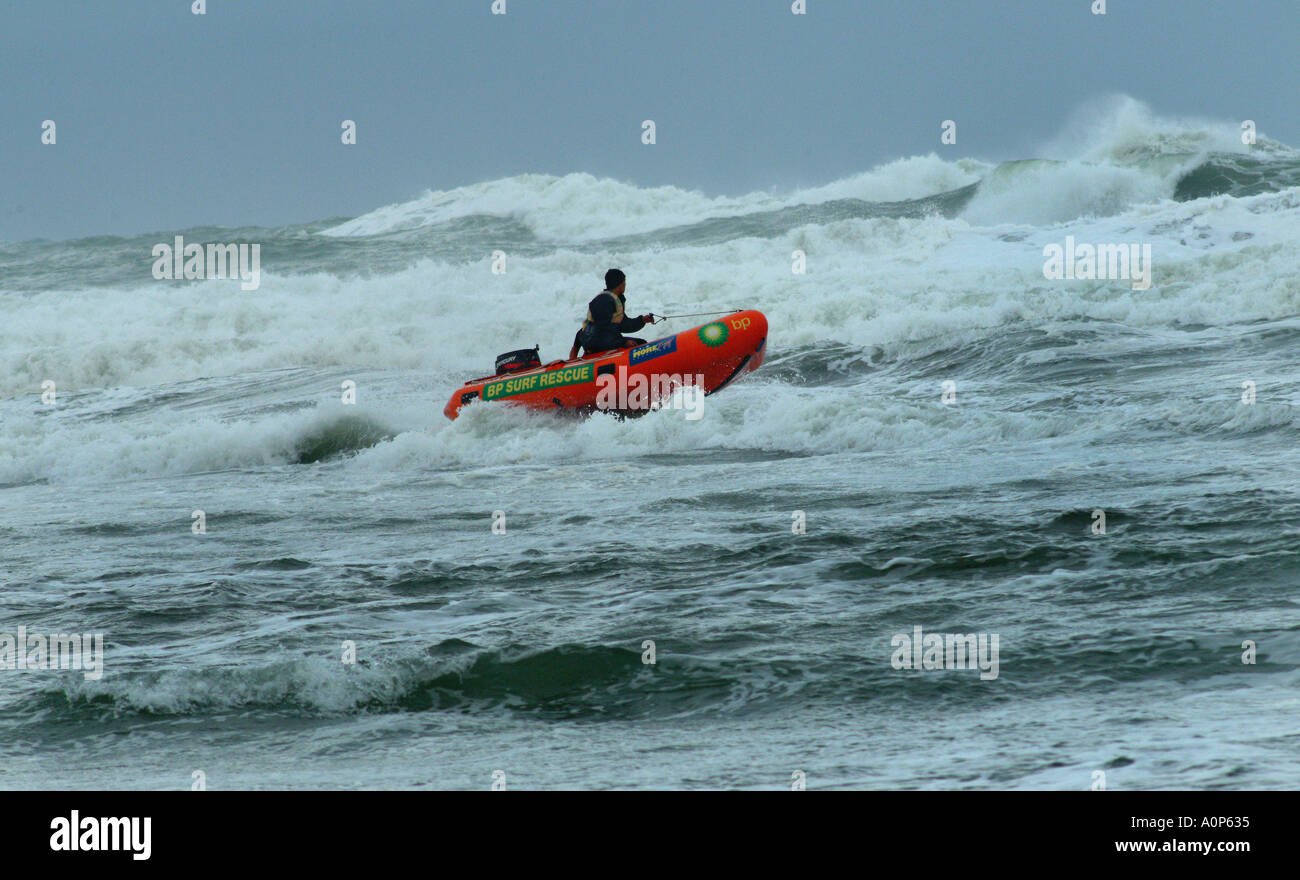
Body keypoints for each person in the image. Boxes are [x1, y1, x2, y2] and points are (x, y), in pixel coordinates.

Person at [569, 269, 656, 358]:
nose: (625, 285)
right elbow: (603, 327)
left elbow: (624, 325)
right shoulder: (604, 301)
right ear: (620, 284)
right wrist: (623, 342)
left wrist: (642, 320)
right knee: (640, 345)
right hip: (597, 342)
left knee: (640, 343)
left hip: (601, 339)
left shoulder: (614, 299)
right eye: (624, 282)